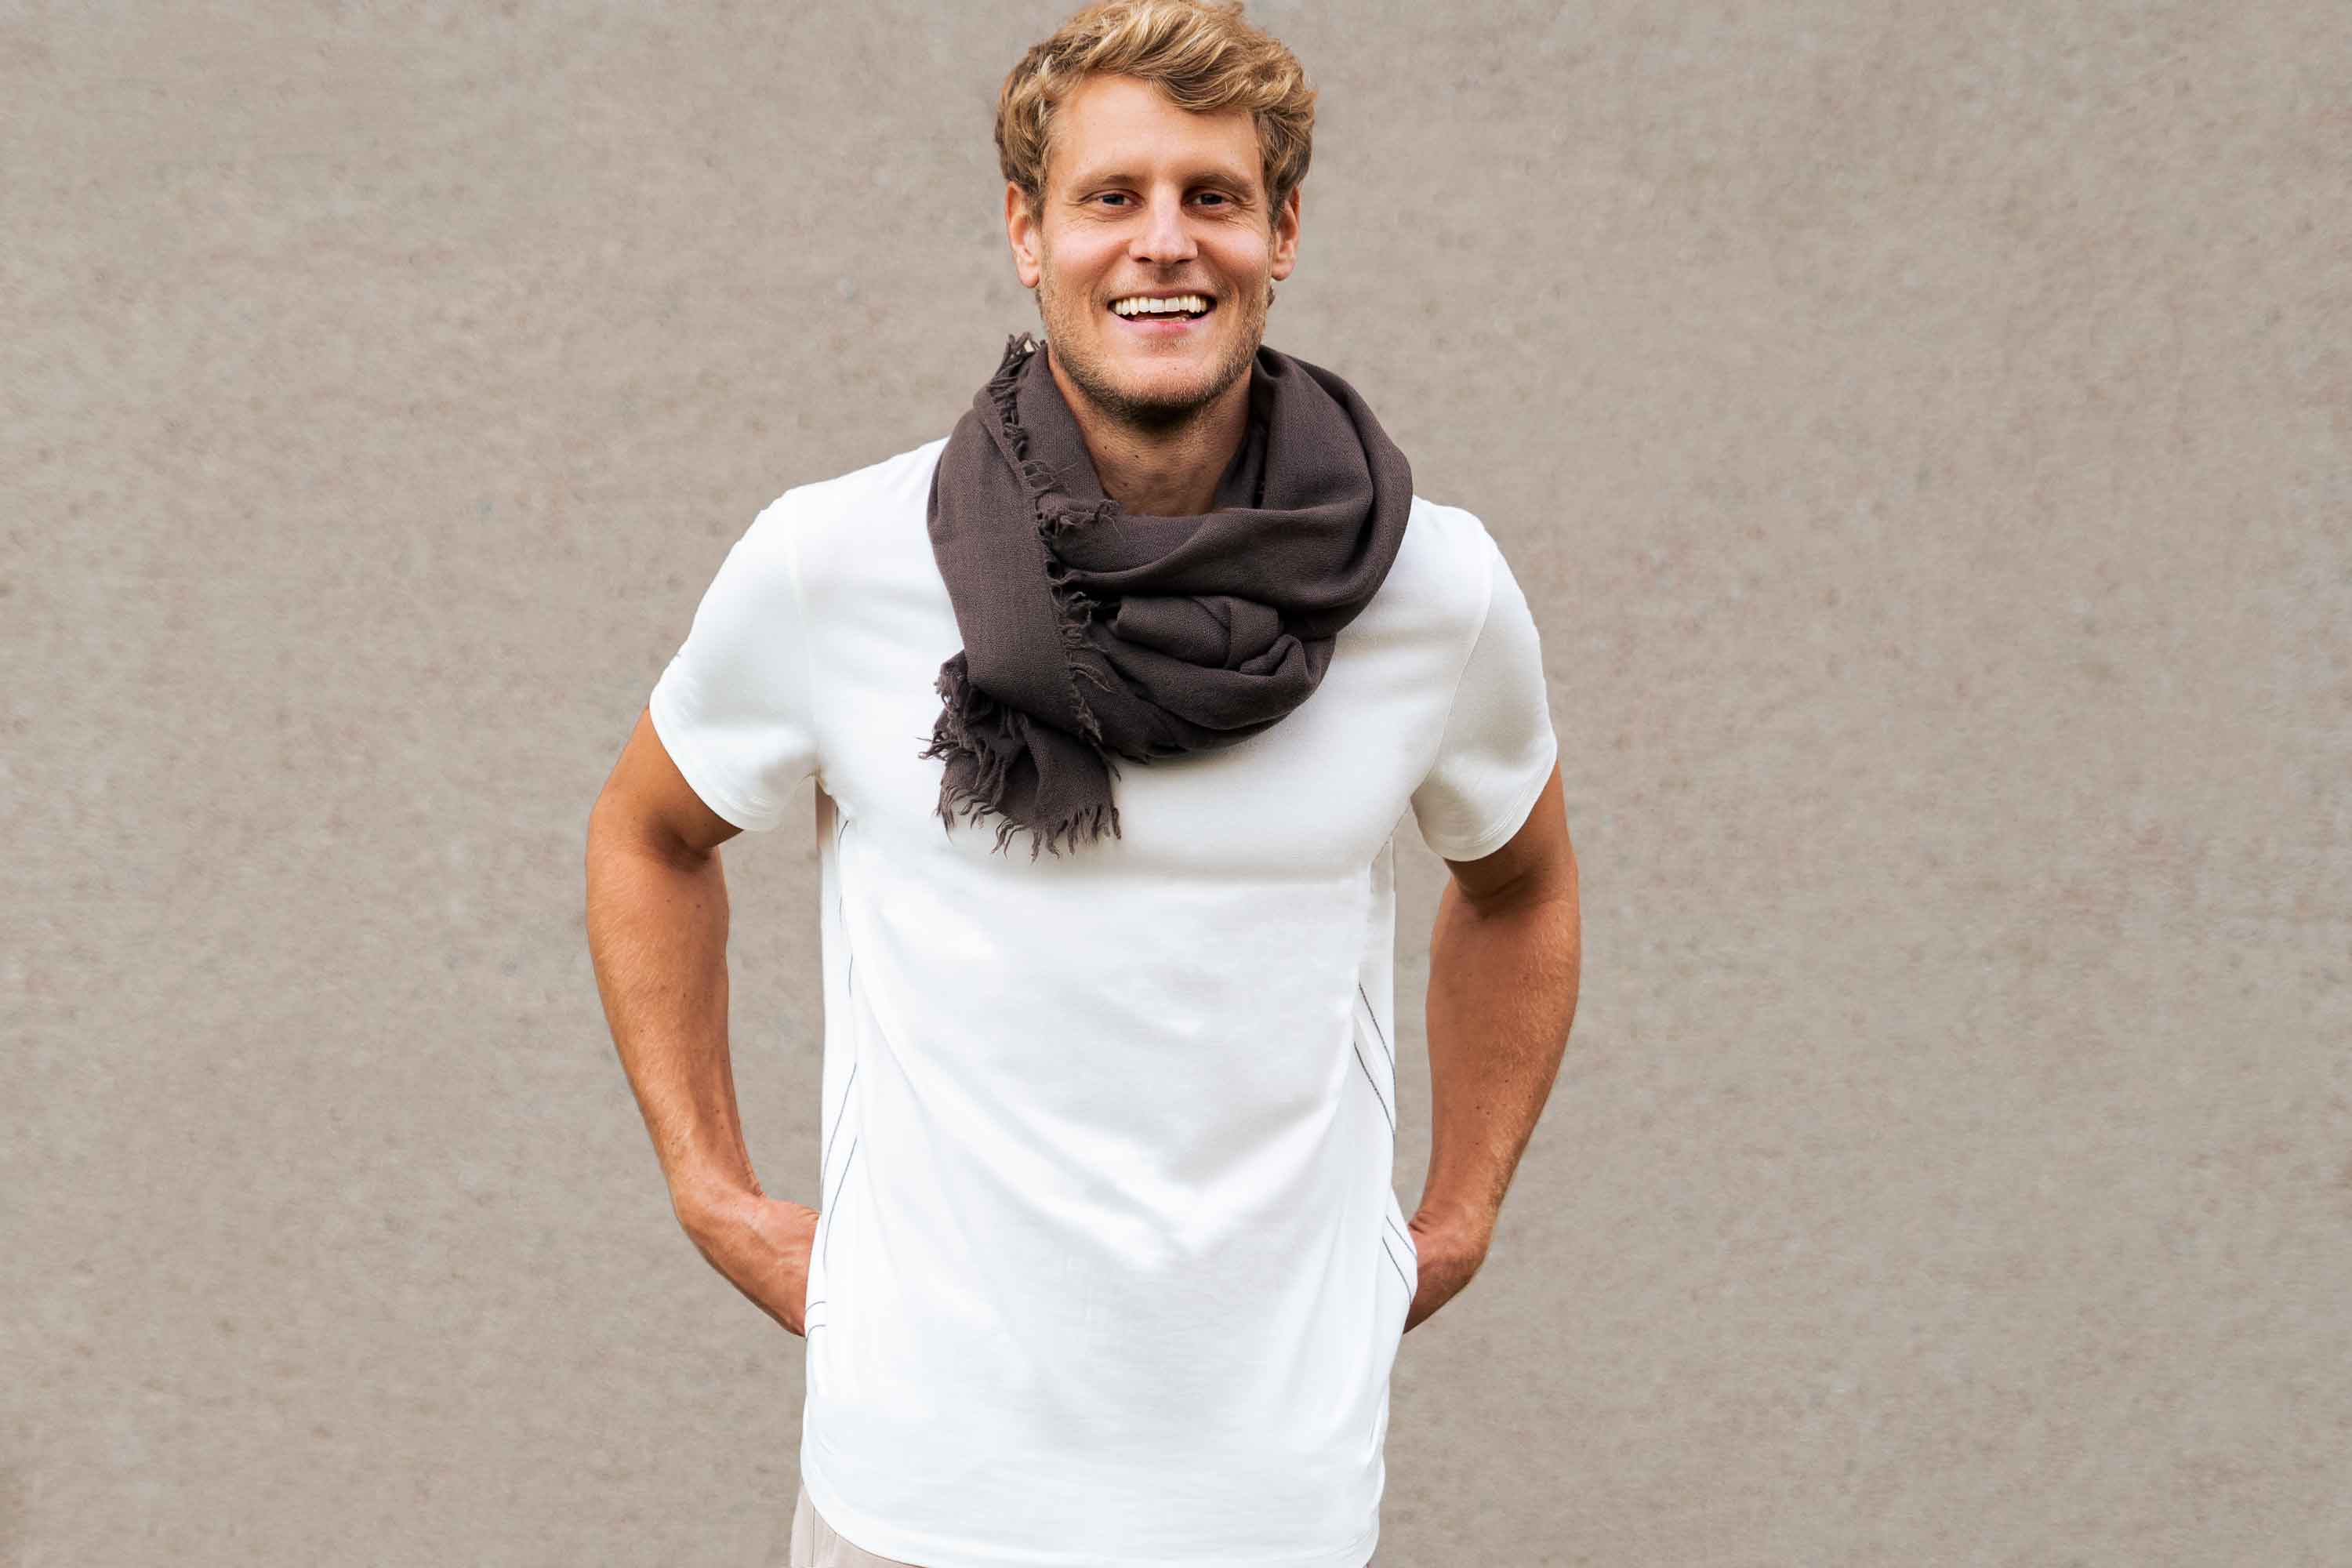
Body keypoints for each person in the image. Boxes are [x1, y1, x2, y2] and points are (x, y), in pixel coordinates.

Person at [583, 2, 1582, 1563]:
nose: (1163, 242)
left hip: (1270, 1501)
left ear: (1283, 232)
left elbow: (1522, 886)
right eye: (1112, 195)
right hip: (918, 1495)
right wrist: (714, 1193)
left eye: (1214, 196)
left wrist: (1456, 1216)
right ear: (1026, 234)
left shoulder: (1431, 592)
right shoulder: (837, 563)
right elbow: (650, 832)